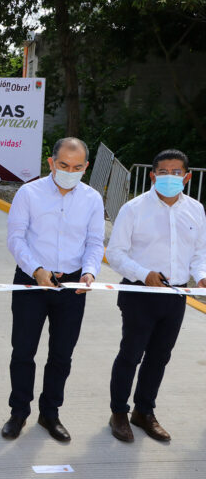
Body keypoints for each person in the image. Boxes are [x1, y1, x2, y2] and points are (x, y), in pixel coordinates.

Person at [2, 137, 104, 442]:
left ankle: (51, 413)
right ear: (51, 163)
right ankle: (18, 412)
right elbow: (16, 238)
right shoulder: (28, 193)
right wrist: (36, 270)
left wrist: (89, 272)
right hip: (31, 281)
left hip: (72, 288)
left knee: (62, 354)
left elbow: (95, 242)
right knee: (23, 351)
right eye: (63, 165)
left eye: (77, 167)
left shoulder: (92, 199)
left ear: (86, 167)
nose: (69, 171)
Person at [106, 149, 206, 443]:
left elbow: (199, 253)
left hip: (175, 295)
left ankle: (144, 411)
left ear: (187, 177)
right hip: (140, 293)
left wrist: (201, 275)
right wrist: (143, 273)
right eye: (163, 172)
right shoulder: (134, 208)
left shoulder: (196, 210)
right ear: (152, 176)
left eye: (177, 173)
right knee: (131, 354)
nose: (170, 178)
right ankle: (119, 413)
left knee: (159, 357)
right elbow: (115, 254)